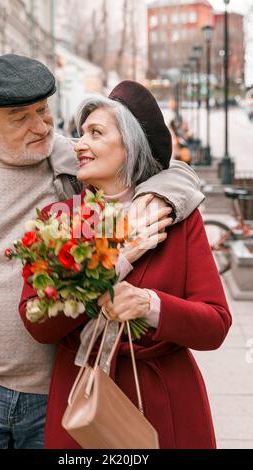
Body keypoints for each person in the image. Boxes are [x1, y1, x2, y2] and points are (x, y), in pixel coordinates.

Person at [0, 54, 203, 449]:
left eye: (43, 110)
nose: (40, 127)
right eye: (20, 117)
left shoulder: (76, 158)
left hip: (55, 388)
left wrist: (161, 197)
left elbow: (158, 161)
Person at [19, 80, 232, 449]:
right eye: (80, 134)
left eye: (95, 133)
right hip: (82, 404)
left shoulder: (178, 220)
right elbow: (37, 323)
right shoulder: (60, 219)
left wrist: (151, 305)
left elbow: (215, 324)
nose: (79, 144)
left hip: (166, 404)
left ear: (131, 145)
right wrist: (110, 267)